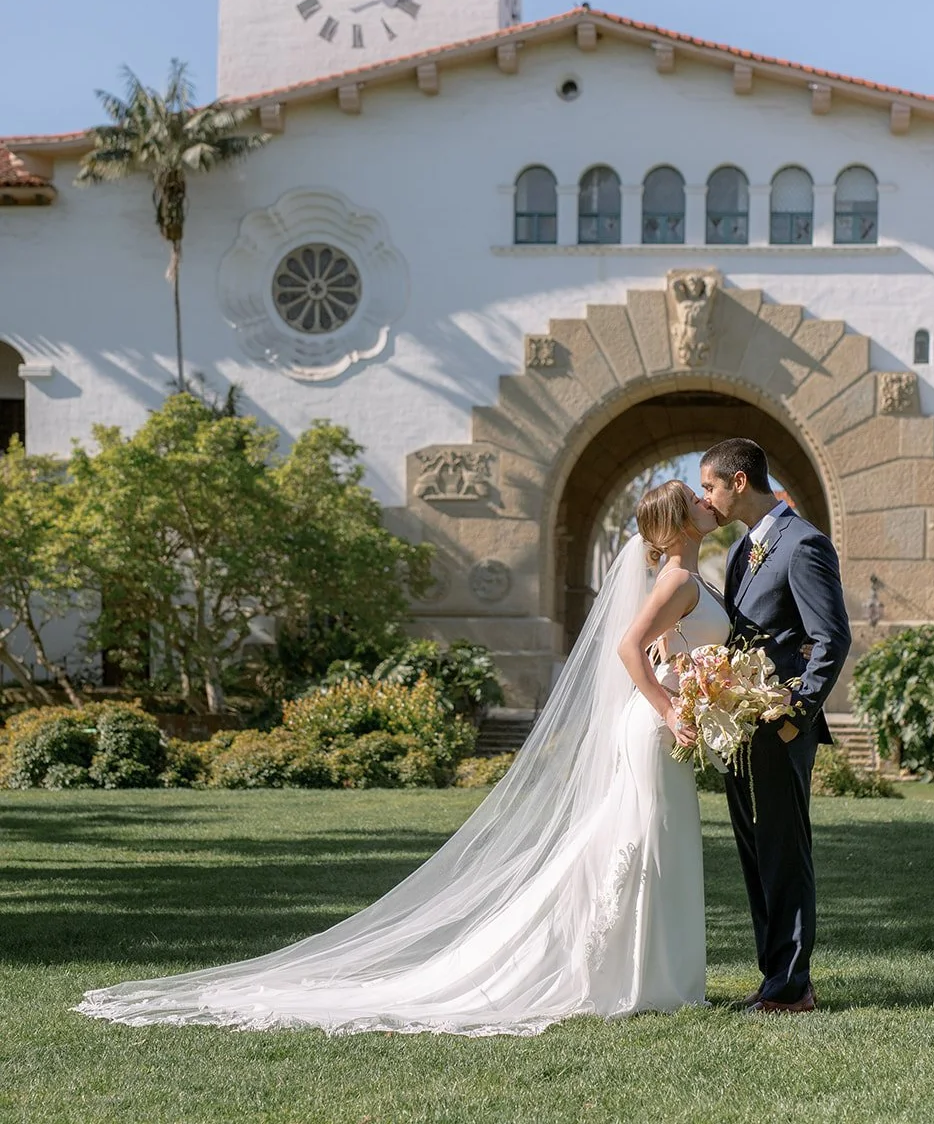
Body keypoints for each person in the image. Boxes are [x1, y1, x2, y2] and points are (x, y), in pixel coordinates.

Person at [77, 481, 727, 1037]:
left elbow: (659, 653)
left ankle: (653, 975)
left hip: (662, 724)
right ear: (674, 523)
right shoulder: (674, 579)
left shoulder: (688, 578)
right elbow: (626, 648)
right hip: (652, 728)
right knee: (643, 838)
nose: (707, 501)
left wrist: (692, 686)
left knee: (651, 838)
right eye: (695, 498)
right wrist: (670, 708)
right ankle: (637, 978)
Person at [700, 437, 851, 1015]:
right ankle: (775, 979)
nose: (705, 498)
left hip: (779, 726)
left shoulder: (804, 544)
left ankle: (793, 987)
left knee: (784, 852)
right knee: (757, 854)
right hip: (740, 728)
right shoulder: (743, 550)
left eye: (710, 486)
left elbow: (831, 637)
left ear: (739, 482)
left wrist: (796, 712)